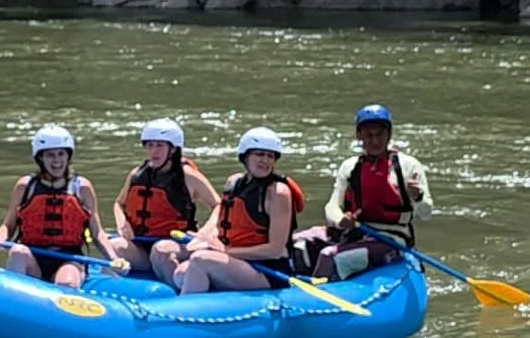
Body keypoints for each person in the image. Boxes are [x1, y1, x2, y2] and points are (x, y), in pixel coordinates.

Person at [294, 105, 432, 282]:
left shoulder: (408, 167)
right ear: (359, 136)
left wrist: (417, 197)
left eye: (379, 135)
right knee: (298, 243)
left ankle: (317, 299)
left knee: (330, 256)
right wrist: (340, 220)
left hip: (392, 239)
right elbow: (333, 205)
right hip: (355, 231)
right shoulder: (350, 166)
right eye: (368, 135)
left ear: (388, 135)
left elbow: (426, 213)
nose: (374, 141)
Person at [172, 128, 306, 296]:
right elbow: (223, 224)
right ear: (245, 156)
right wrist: (208, 238)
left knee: (201, 261)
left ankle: (186, 317)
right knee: (181, 273)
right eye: (259, 154)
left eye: (270, 156)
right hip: (238, 261)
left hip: (268, 270)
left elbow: (275, 250)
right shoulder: (234, 183)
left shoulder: (278, 193)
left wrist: (225, 251)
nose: (265, 160)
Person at [0, 124, 117, 289]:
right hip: (33, 255)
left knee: (66, 283)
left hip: (69, 258)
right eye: (50, 155)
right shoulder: (25, 186)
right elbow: (9, 225)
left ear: (68, 156)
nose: (57, 160)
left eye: (61, 154)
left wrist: (114, 258)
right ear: (40, 158)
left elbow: (97, 232)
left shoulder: (82, 188)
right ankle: (10, 303)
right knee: (17, 252)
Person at [108, 119, 220, 282]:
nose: (154, 151)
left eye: (160, 145)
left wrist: (204, 233)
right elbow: (119, 204)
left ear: (173, 149)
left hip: (176, 245)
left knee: (161, 250)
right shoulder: (136, 175)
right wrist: (123, 223)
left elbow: (219, 206)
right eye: (150, 145)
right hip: (142, 245)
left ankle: (180, 292)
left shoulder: (188, 176)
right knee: (113, 246)